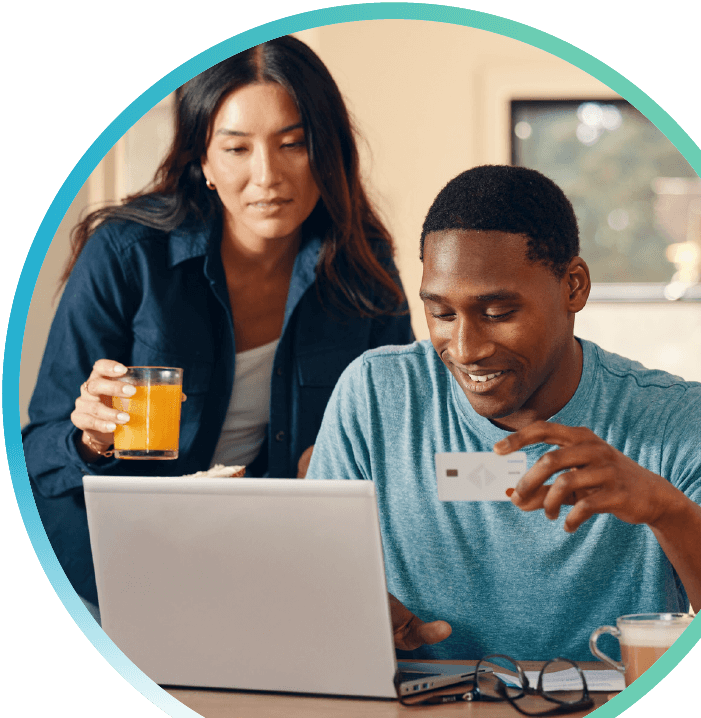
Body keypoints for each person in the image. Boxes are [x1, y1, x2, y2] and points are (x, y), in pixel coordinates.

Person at [22, 35, 413, 616]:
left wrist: (342, 462)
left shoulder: (363, 265)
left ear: (328, 151)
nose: (267, 176)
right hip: (113, 562)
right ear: (202, 160)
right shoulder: (129, 255)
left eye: (294, 144)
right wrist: (90, 438)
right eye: (236, 149)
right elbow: (37, 451)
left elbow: (405, 436)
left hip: (270, 559)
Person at [305, 164, 701, 661]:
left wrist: (667, 510)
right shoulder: (376, 395)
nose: (466, 348)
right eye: (442, 313)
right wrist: (347, 614)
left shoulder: (679, 420)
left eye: (498, 313)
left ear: (574, 287)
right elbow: (311, 581)